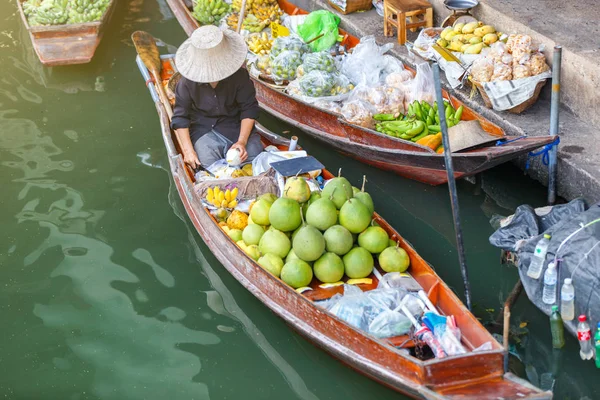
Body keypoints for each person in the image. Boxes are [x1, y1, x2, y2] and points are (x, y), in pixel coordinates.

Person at [171, 25, 264, 170]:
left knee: (256, 157)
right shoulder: (186, 84)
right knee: (207, 165)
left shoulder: (239, 77)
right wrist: (188, 151)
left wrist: (241, 141)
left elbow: (249, 109)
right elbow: (180, 119)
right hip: (204, 130)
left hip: (235, 126)